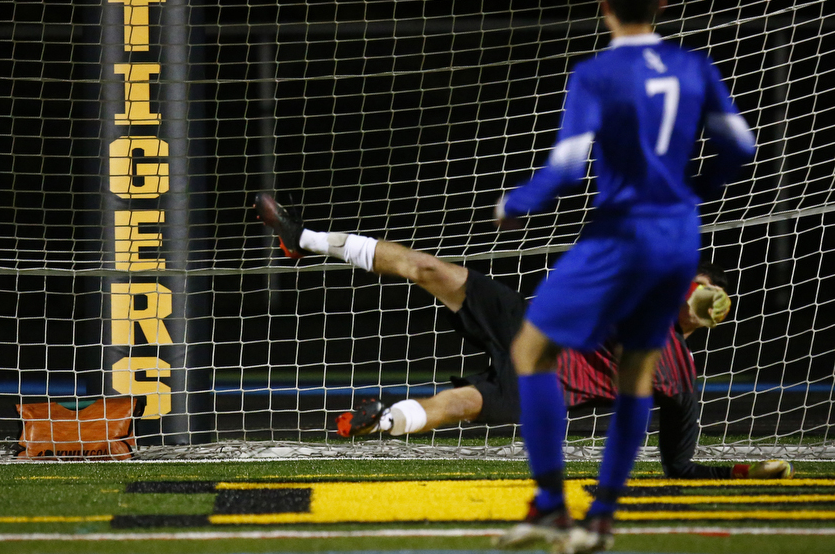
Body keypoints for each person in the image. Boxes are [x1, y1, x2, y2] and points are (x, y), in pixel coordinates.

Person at [492, 0, 757, 554]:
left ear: (604, 5)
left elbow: (564, 169)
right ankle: (603, 517)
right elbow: (741, 145)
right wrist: (697, 191)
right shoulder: (694, 66)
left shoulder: (597, 75)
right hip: (677, 237)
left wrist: (518, 204)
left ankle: (554, 503)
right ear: (662, 3)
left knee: (531, 349)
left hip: (619, 232)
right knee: (639, 371)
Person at [254, 192, 791, 487]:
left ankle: (381, 421)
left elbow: (679, 467)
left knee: (464, 403)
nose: (704, 307)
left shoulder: (679, 375)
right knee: (430, 269)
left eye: (713, 304)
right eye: (701, 291)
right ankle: (303, 239)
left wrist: (743, 471)